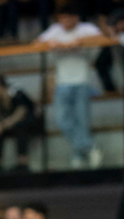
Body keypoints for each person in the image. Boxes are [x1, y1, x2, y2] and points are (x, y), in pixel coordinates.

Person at [35, 4, 105, 169]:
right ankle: (89, 147)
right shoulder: (55, 30)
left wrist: (80, 42)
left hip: (82, 81)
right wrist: (53, 44)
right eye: (62, 18)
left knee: (81, 120)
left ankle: (78, 154)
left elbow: (102, 38)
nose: (65, 21)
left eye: (68, 17)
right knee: (62, 120)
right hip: (62, 82)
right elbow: (36, 43)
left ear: (76, 17)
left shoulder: (86, 28)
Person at [0, 72, 40, 173]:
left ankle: (23, 163)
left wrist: (3, 125)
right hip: (8, 124)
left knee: (20, 128)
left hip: (28, 122)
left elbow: (21, 113)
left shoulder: (15, 91)